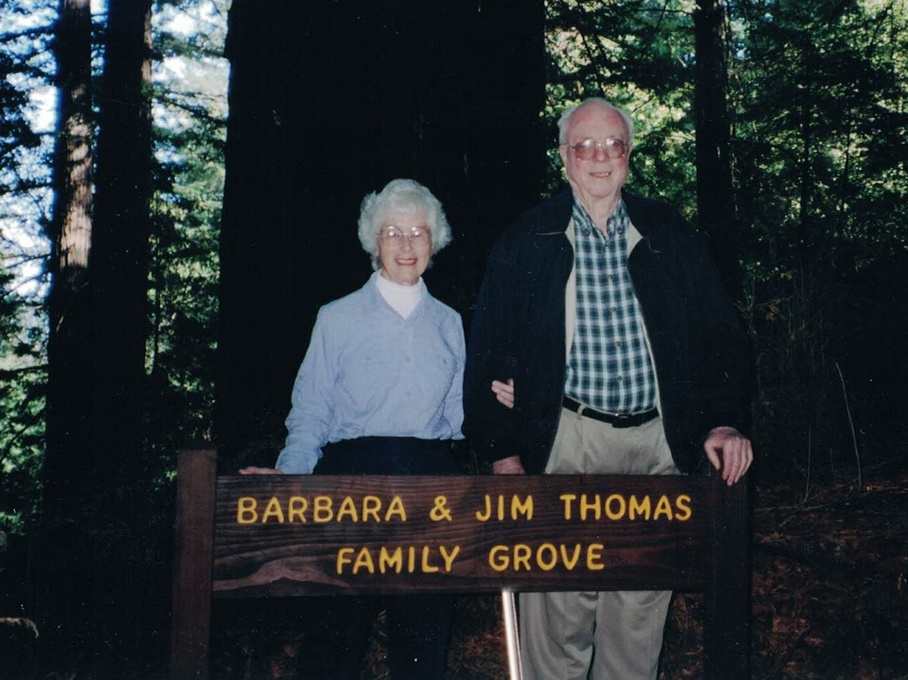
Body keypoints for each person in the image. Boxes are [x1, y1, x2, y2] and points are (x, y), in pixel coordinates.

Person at [463, 97, 755, 680]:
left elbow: (721, 333)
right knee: (557, 614)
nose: (599, 158)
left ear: (629, 155)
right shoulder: (528, 237)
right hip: (566, 442)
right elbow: (488, 349)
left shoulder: (668, 231)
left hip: (656, 446)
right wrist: (503, 450)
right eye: (585, 146)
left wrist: (723, 420)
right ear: (564, 158)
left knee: (639, 619)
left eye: (612, 145)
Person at [240, 178, 465, 679]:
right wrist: (292, 477)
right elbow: (311, 410)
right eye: (392, 232)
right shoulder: (336, 318)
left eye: (418, 233)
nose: (406, 245)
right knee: (335, 634)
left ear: (436, 240)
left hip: (429, 484)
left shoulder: (450, 323)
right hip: (350, 481)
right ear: (373, 240)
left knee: (424, 639)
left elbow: (456, 418)